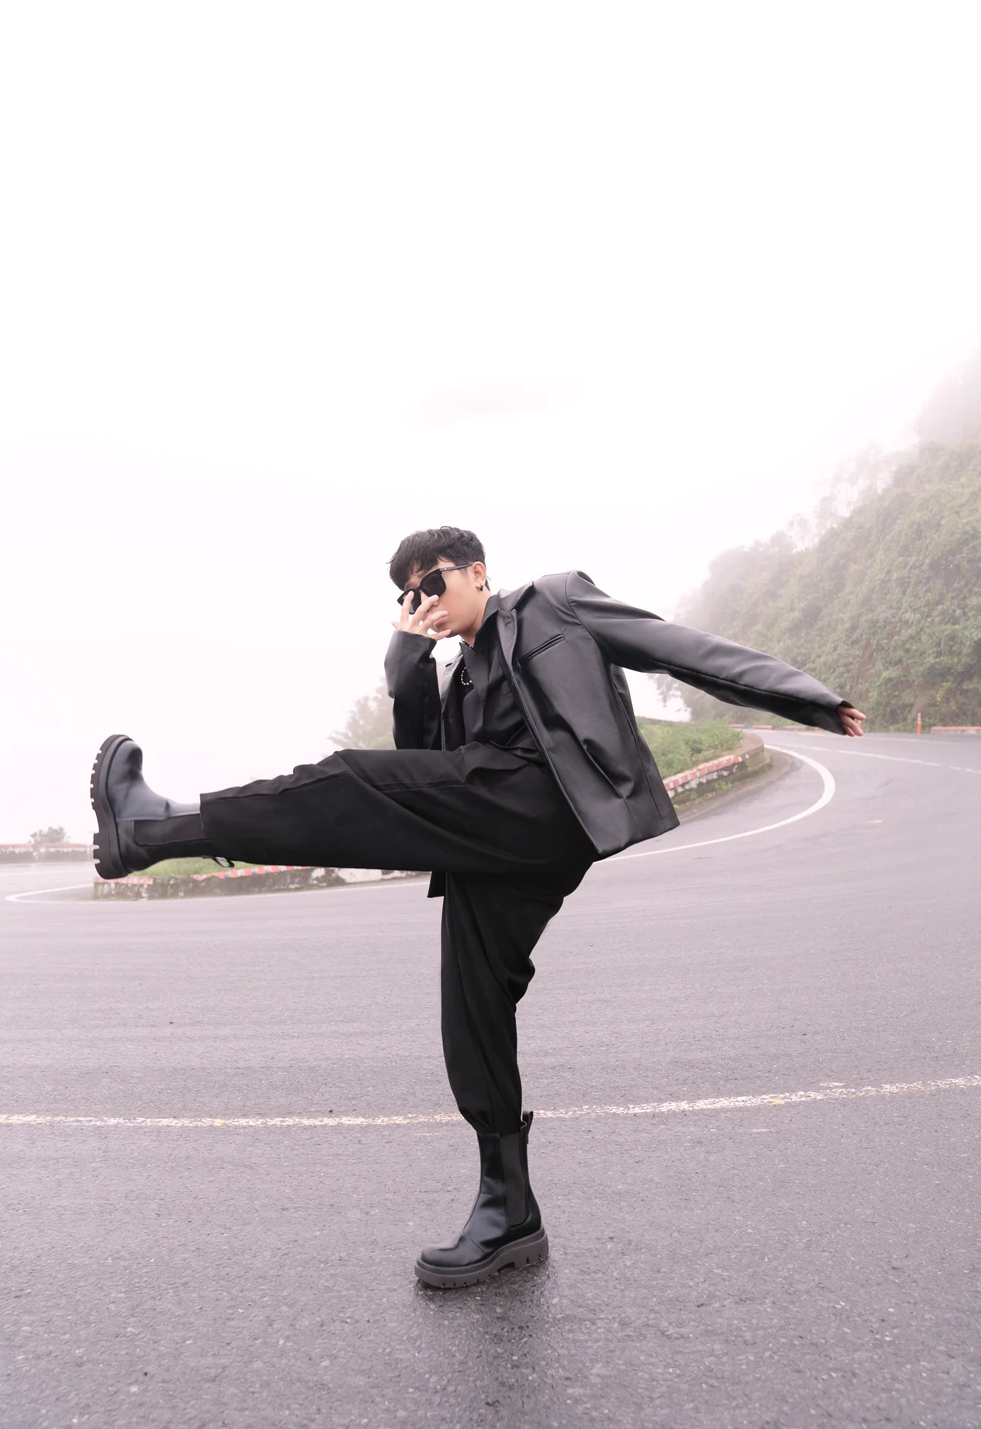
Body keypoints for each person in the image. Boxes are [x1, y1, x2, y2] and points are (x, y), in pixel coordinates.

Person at [89, 525, 865, 1289]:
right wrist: (406, 660)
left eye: (432, 582)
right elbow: (422, 769)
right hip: (494, 838)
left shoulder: (555, 602)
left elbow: (677, 646)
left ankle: (157, 827)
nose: (422, 599)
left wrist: (807, 698)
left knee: (349, 779)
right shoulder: (457, 678)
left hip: (550, 800)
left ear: (478, 572)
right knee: (472, 1006)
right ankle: (509, 1209)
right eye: (408, 595)